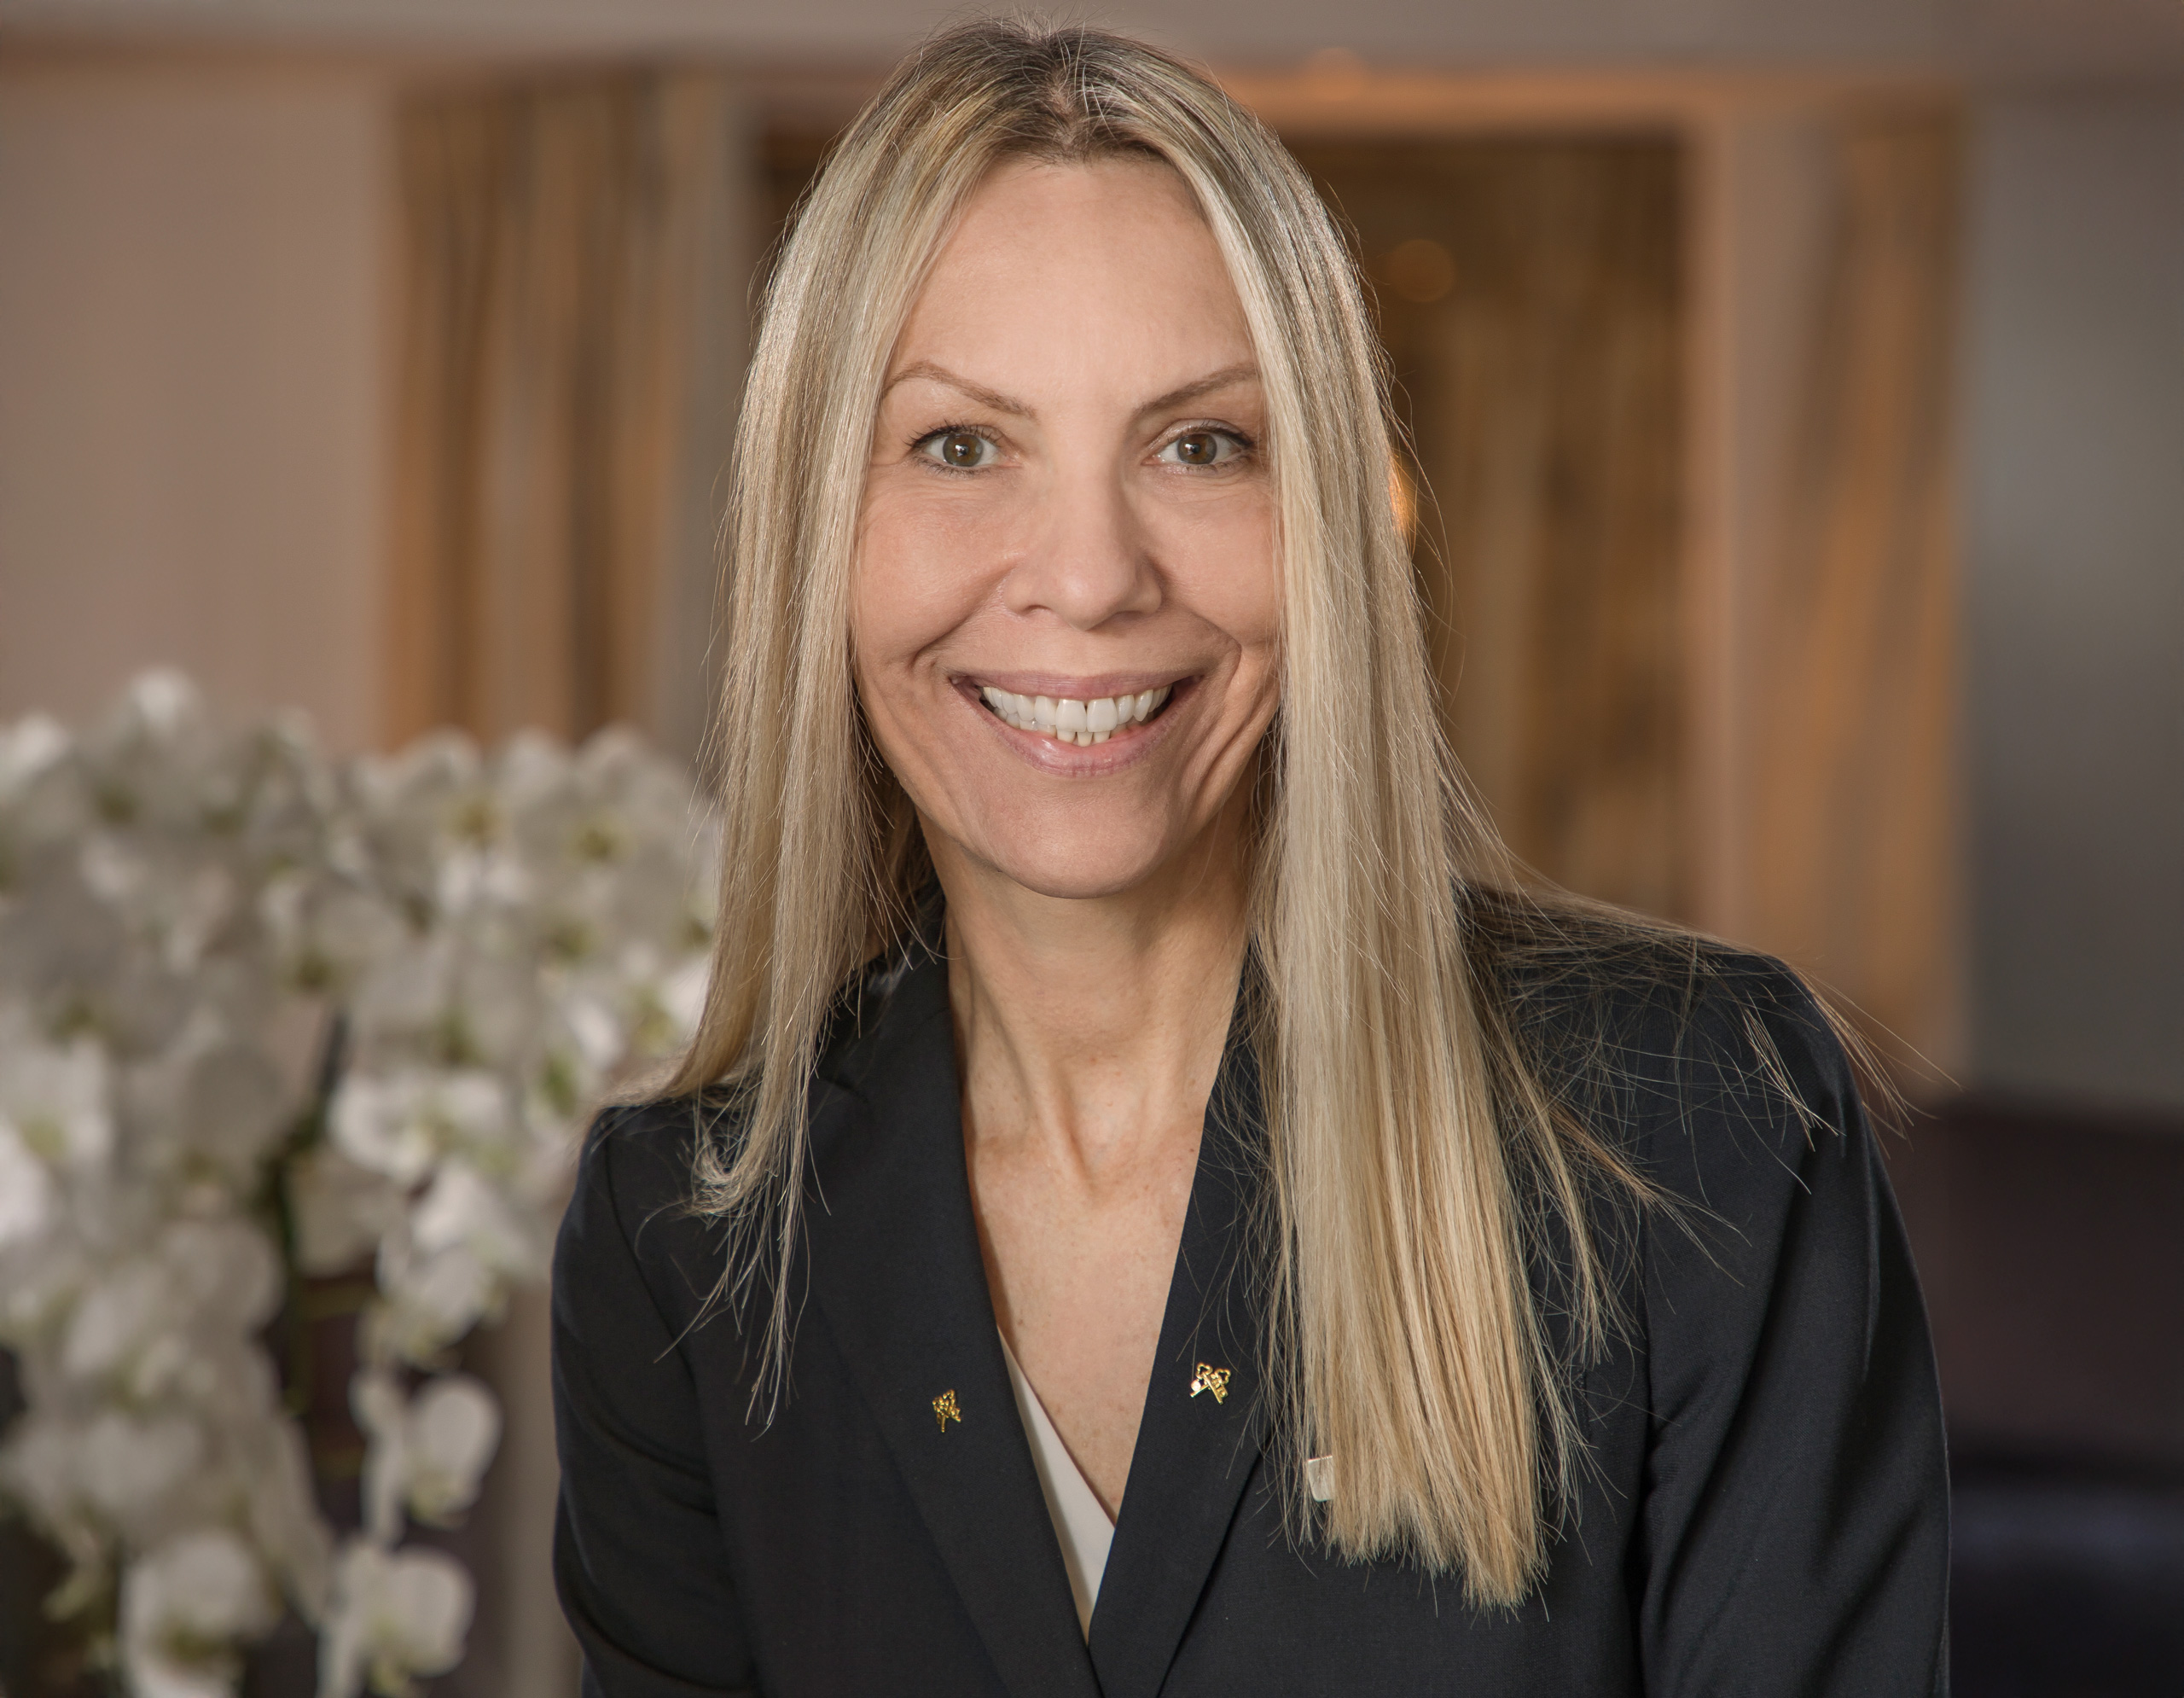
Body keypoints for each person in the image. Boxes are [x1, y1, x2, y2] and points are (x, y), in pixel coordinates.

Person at [550, 20, 1949, 1695]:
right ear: (814, 534)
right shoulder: (686, 1235)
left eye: (1199, 442)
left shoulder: (1697, 1114)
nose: (1084, 574)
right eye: (958, 443)